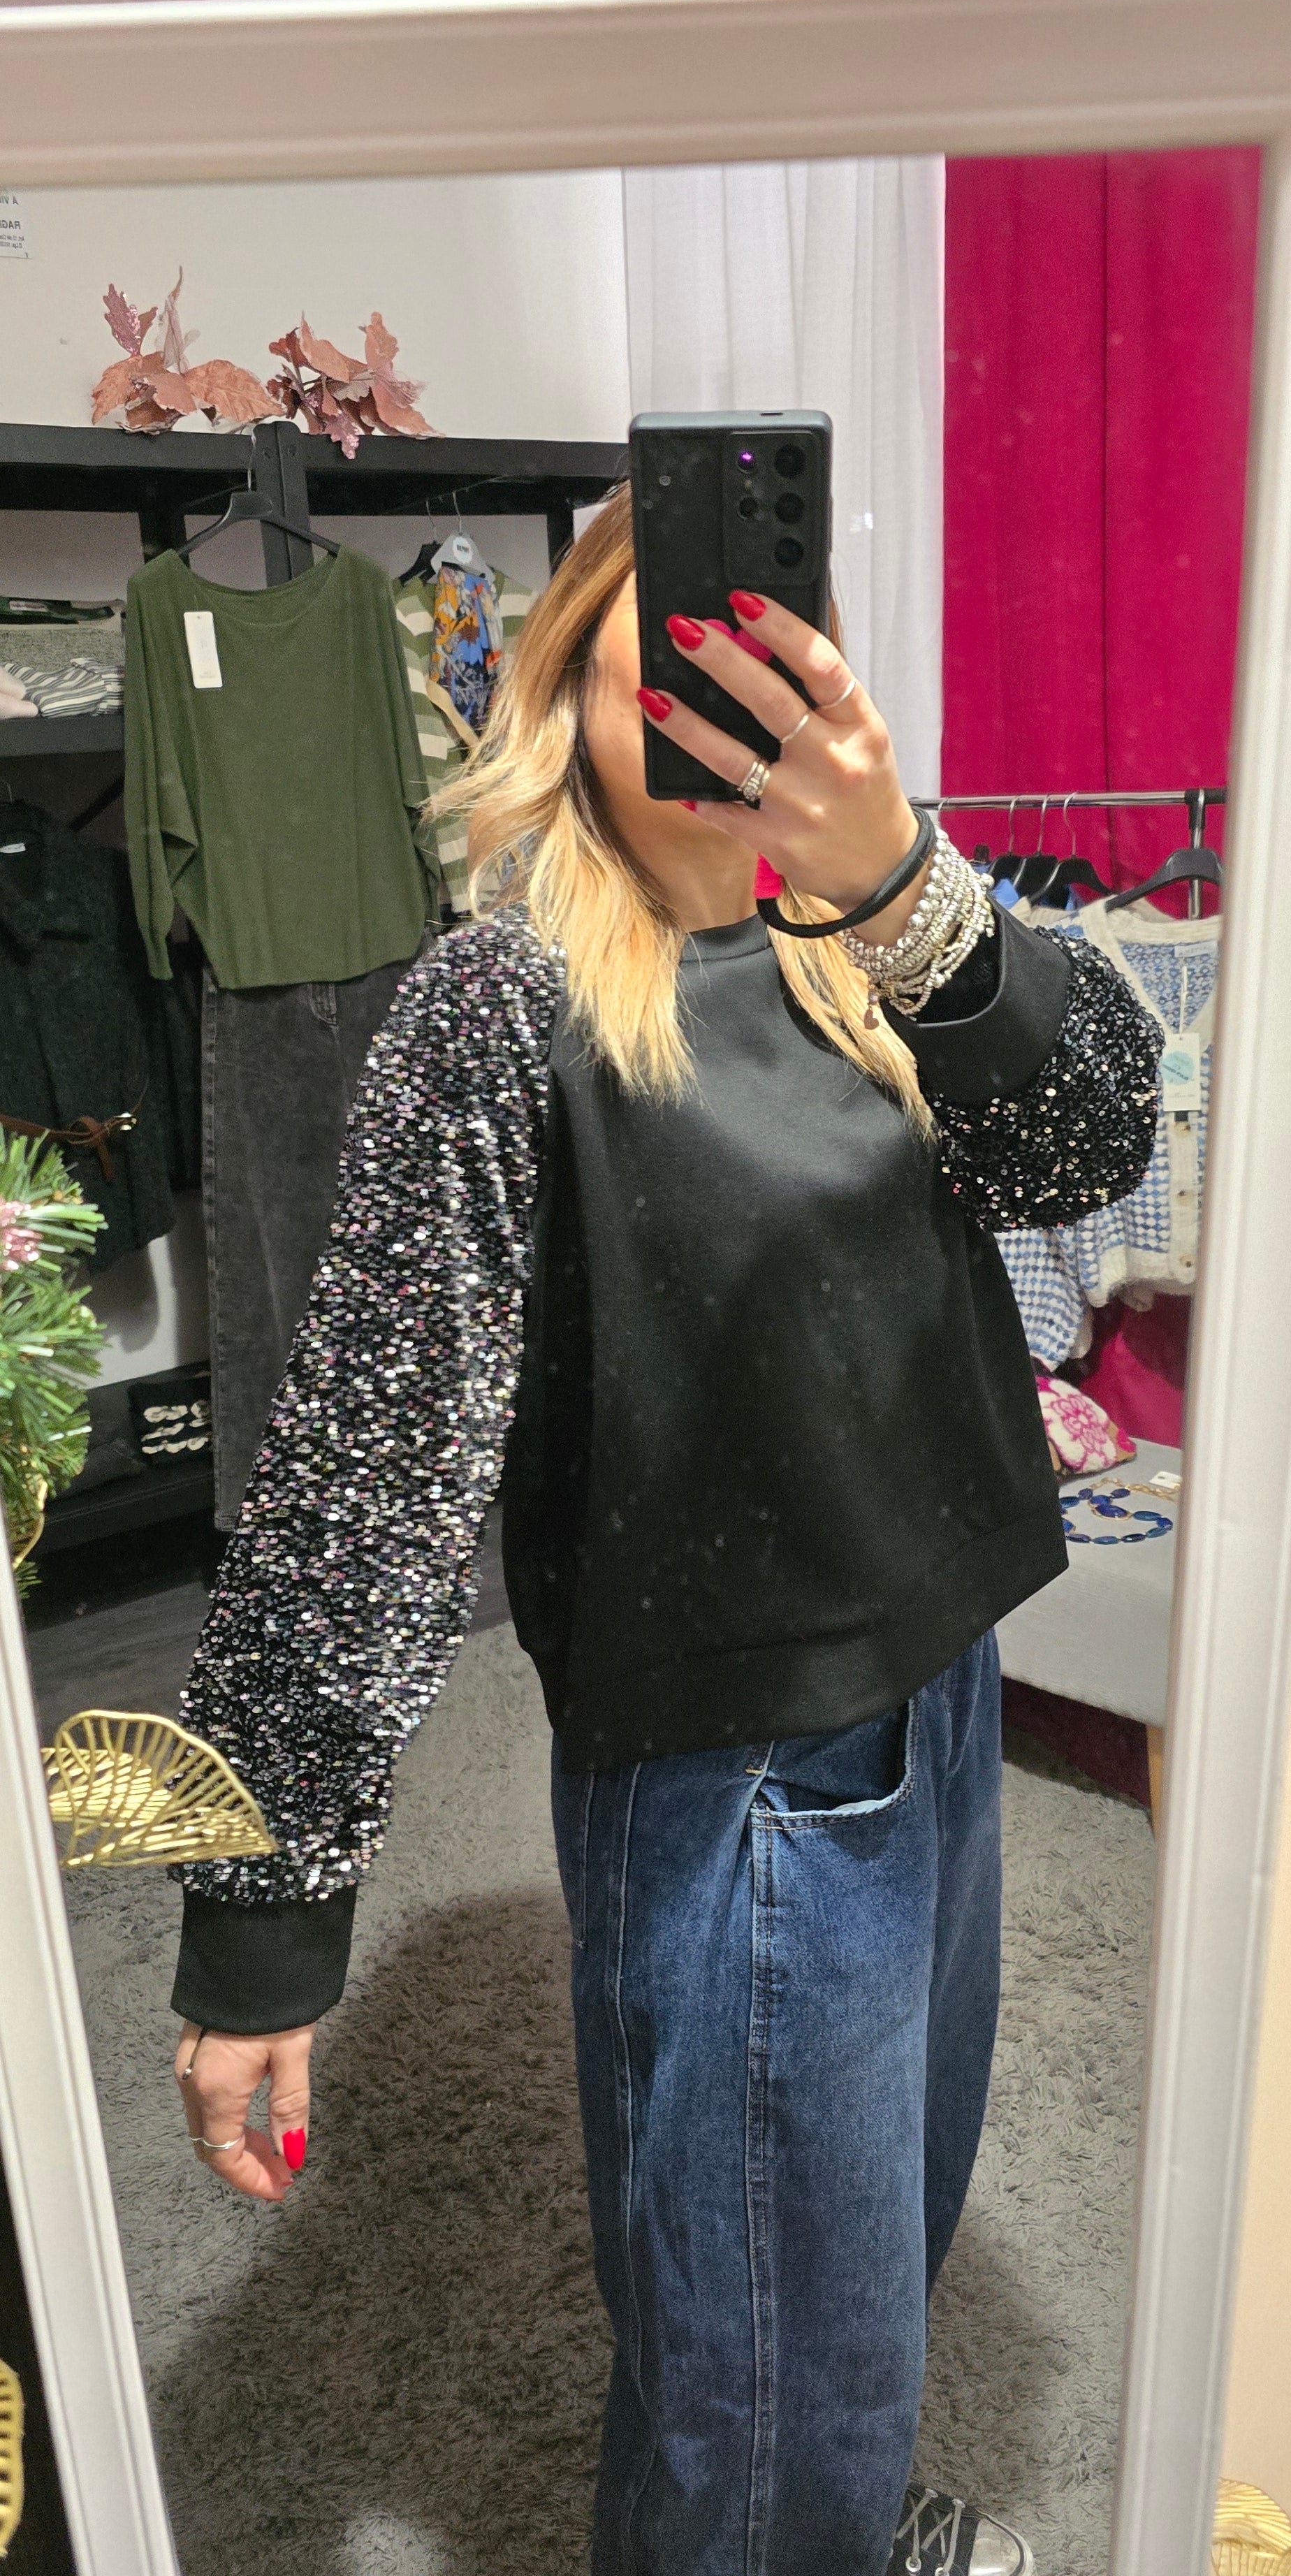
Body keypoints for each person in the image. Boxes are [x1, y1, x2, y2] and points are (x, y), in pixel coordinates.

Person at [172, 487, 1161, 2576]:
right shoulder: (499, 1008)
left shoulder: (884, 936)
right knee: (765, 2367)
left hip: (948, 1688)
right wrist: (265, 1922)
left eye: (762, 672)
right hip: (738, 1777)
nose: (719, 719)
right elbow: (360, 1471)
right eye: (665, 679)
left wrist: (901, 884)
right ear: (567, 708)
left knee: (855, 2262)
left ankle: (837, 2520)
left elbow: (1095, 1142)